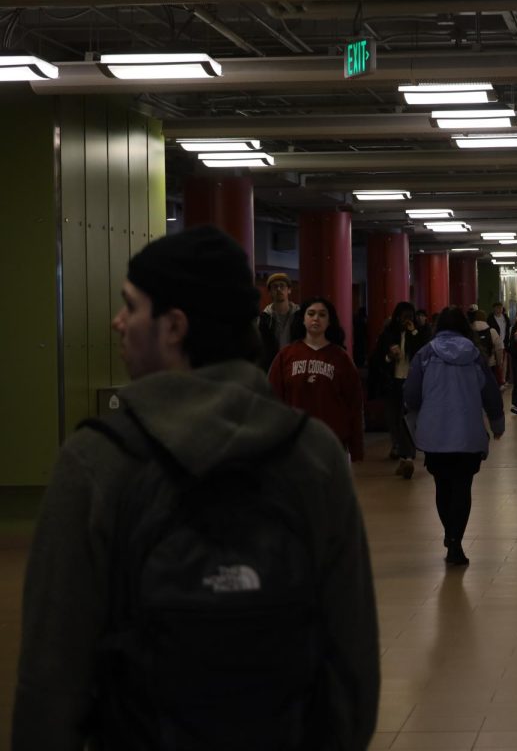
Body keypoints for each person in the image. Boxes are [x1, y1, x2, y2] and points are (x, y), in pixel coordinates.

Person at [13, 226, 379, 750]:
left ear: (174, 326)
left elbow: (52, 678)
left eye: (131, 307)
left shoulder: (97, 462)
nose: (118, 322)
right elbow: (353, 661)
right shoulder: (312, 455)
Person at [405, 307, 505, 565]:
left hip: (435, 432)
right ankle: (456, 542)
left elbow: (411, 393)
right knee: (463, 486)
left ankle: (450, 534)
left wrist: (417, 412)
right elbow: (491, 391)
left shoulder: (425, 354)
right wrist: (497, 422)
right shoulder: (474, 355)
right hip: (467, 431)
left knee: (443, 485)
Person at [269, 297, 365, 462]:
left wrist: (356, 448)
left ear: (329, 322)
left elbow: (354, 405)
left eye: (322, 315)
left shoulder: (341, 358)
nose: (316, 318)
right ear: (303, 319)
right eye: (311, 314)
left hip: (332, 442)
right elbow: (272, 400)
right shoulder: (286, 356)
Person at [370, 301, 430, 478]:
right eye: (403, 317)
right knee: (394, 417)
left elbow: (423, 350)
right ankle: (403, 450)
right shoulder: (388, 335)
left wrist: (413, 332)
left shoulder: (419, 333)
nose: (406, 320)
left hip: (412, 381)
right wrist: (389, 356)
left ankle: (407, 455)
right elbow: (378, 358)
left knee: (409, 418)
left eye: (409, 316)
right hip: (393, 381)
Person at [257, 271, 299, 371]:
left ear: (289, 290)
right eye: (275, 287)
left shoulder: (300, 316)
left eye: (282, 286)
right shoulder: (264, 319)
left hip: (295, 366)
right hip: (271, 367)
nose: (279, 289)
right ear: (270, 292)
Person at [470, 309, 504, 386]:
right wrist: (499, 362)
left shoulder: (470, 331)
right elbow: (499, 349)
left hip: (474, 364)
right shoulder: (492, 331)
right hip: (490, 364)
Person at [487, 301, 511, 384]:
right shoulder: (490, 319)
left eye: (500, 308)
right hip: (495, 343)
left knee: (504, 363)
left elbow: (507, 330)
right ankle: (497, 379)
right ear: (494, 309)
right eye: (497, 308)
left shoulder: (505, 318)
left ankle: (503, 379)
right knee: (497, 362)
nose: (499, 309)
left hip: (504, 343)